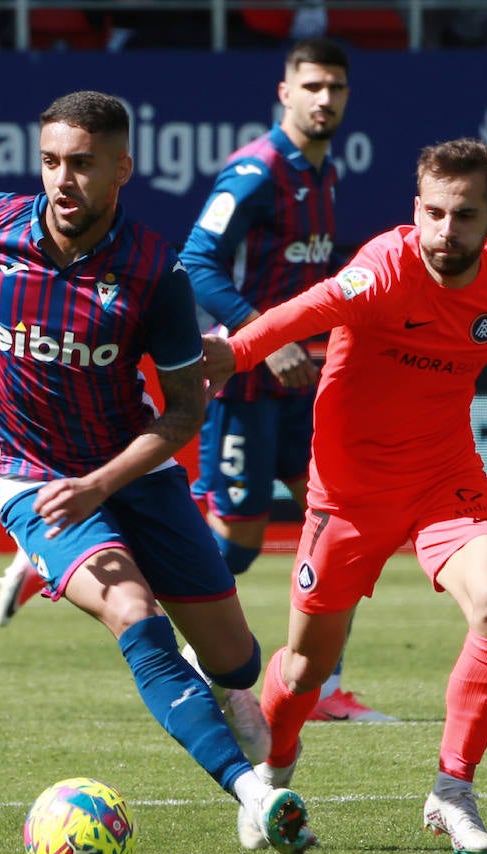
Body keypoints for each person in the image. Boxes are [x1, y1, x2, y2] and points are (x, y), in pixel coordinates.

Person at [201, 137, 487, 854]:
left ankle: (453, 790)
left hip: (442, 478)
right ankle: (270, 771)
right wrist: (228, 358)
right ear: (414, 210)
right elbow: (302, 312)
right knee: (303, 667)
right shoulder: (382, 271)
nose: (445, 232)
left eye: (464, 215)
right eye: (433, 212)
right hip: (349, 491)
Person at [0, 90, 316, 854]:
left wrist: (102, 483)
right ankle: (255, 793)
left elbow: (186, 412)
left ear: (123, 168)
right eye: (51, 162)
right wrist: (72, 488)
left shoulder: (156, 271)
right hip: (35, 480)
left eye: (83, 165)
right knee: (131, 607)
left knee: (237, 659)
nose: (63, 180)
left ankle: (221, 689)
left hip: (132, 470)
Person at [182, 36, 392, 724]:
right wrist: (262, 340)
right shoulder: (258, 170)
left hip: (307, 389)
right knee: (235, 549)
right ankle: (123, 560)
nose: (324, 98)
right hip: (249, 388)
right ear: (285, 92)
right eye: (312, 86)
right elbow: (196, 260)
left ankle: (325, 687)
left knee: (343, 523)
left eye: (335, 87)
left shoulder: (322, 173)